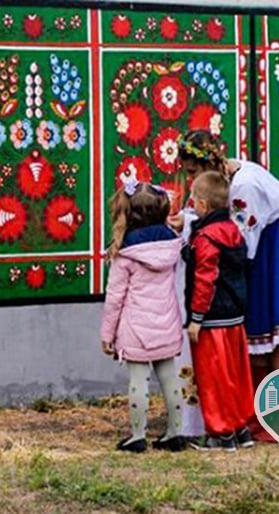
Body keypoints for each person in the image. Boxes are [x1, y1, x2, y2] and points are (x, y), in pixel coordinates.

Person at [171, 130, 279, 396]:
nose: (191, 177)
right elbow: (208, 210)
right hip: (260, 240)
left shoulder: (243, 185)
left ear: (206, 163)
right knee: (259, 329)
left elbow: (237, 240)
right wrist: (186, 218)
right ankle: (261, 405)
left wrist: (195, 230)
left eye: (192, 171)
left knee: (277, 330)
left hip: (278, 242)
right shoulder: (222, 176)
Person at [100, 181, 186, 453]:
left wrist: (107, 335)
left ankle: (138, 435)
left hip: (136, 329)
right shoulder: (172, 245)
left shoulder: (124, 254)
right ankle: (175, 433)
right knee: (169, 378)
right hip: (167, 323)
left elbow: (115, 299)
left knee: (139, 380)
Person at [182, 172, 254, 452]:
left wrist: (196, 319)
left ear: (200, 205)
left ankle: (220, 433)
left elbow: (204, 280)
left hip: (212, 320)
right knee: (236, 374)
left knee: (213, 377)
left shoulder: (206, 238)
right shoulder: (234, 231)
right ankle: (241, 428)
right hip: (235, 317)